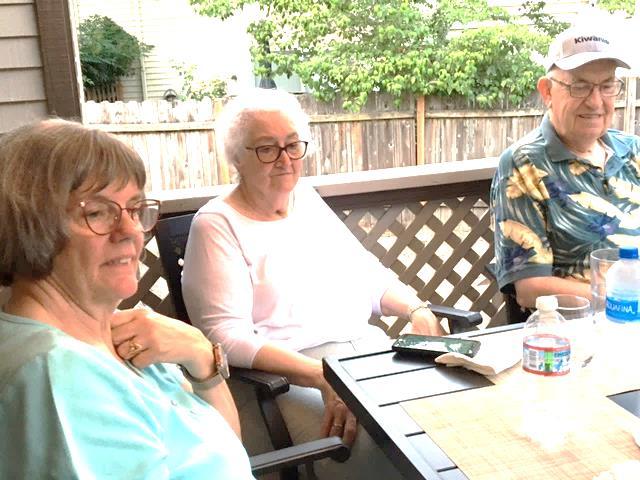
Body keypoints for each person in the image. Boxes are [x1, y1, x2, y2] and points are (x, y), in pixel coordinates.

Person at [181, 88, 444, 479]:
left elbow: (367, 275)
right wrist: (323, 376)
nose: (285, 159)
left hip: (364, 355)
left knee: (446, 419)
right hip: (284, 380)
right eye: (267, 149)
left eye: (292, 145)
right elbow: (225, 337)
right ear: (236, 157)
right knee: (391, 446)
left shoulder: (306, 200)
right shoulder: (216, 224)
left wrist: (416, 310)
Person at [0, 119, 254, 479]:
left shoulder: (119, 336)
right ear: (28, 225)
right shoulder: (61, 376)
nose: (130, 230)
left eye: (134, 210)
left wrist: (202, 359)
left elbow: (226, 457)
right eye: (97, 212)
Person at [490, 23, 640, 310]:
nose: (595, 101)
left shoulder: (634, 151)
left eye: (607, 86)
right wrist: (625, 298)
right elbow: (530, 289)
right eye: (580, 86)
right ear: (547, 91)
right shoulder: (524, 165)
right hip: (586, 324)